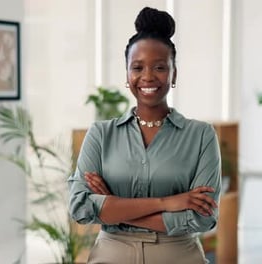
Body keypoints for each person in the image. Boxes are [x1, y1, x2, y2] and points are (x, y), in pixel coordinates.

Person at [68, 6, 221, 264]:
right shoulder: (100, 135)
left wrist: (113, 207)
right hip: (111, 255)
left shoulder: (201, 136)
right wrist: (168, 202)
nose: (147, 76)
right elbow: (81, 207)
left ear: (174, 74)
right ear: (127, 75)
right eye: (137, 67)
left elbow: (202, 218)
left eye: (160, 67)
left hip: (178, 256)